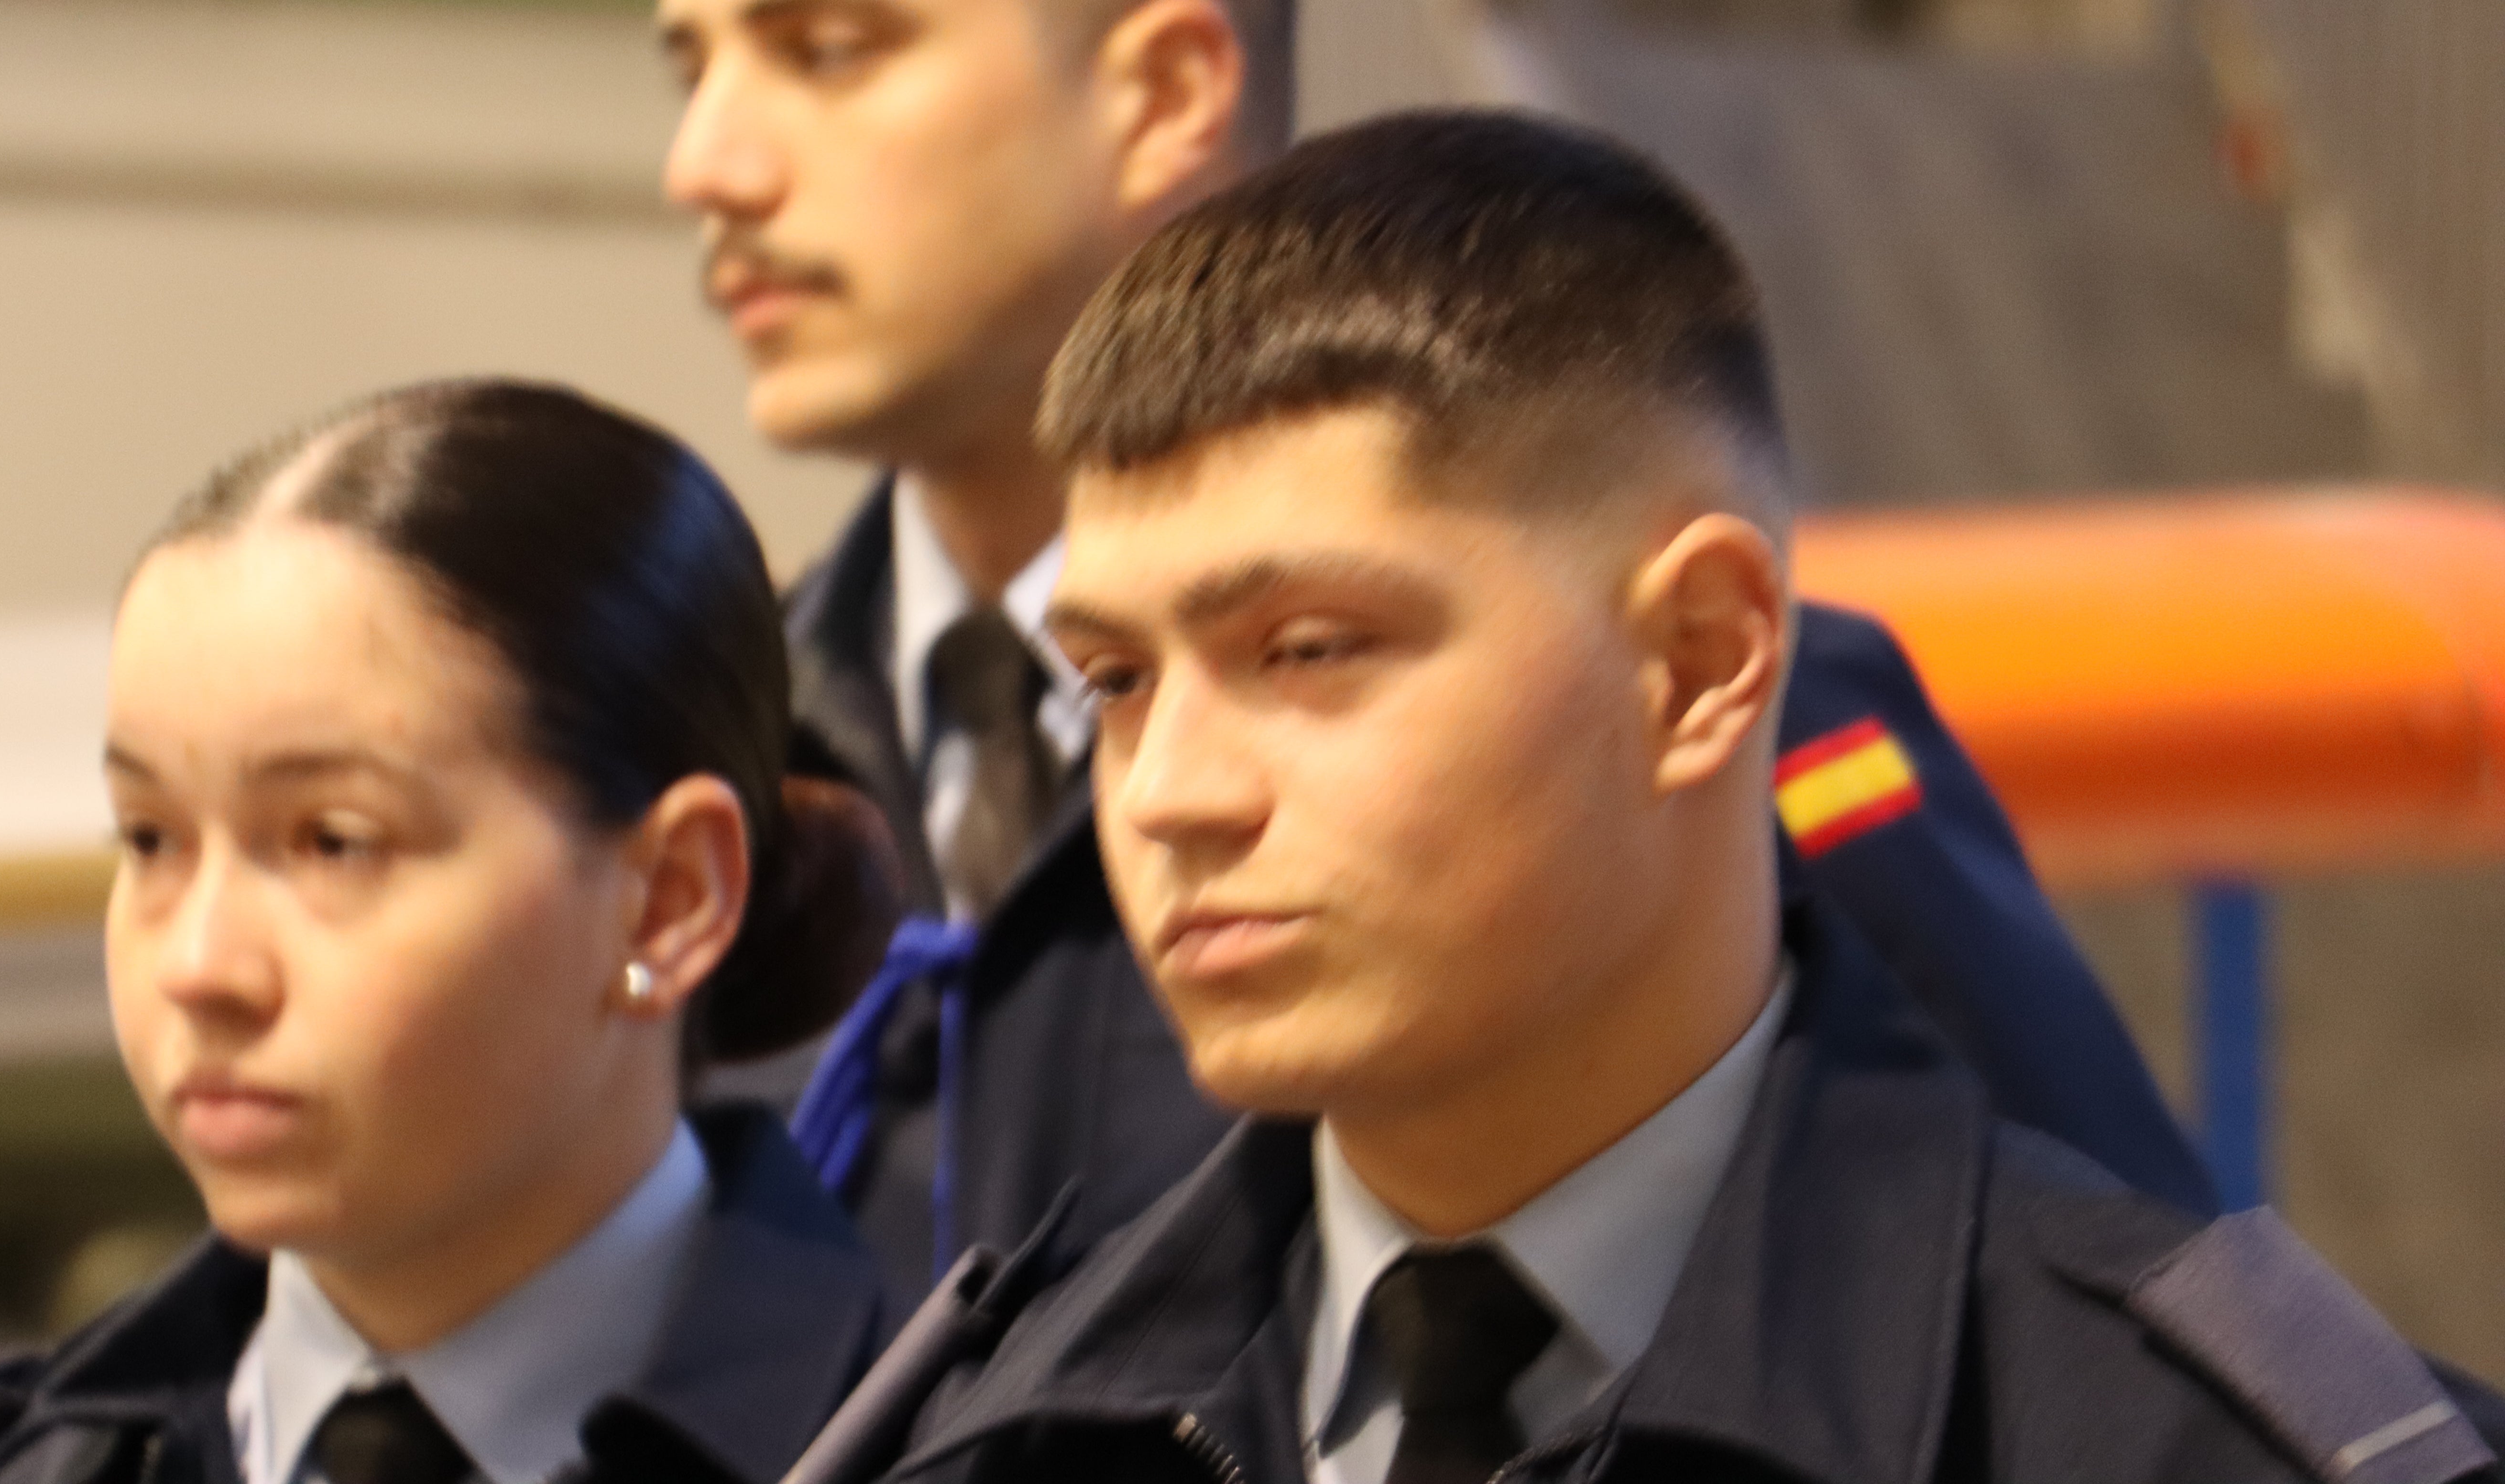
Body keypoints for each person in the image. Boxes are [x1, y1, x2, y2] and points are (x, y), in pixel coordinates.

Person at [648, 0, 2211, 1304]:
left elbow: (2129, 1359)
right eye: (694, 64)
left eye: (825, 50)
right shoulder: (699, 786)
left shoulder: (1677, 750)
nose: (708, 162)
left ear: (1166, 88)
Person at [866, 109, 2504, 1484]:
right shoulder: (992, 1442)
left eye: (1306, 650)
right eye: (1119, 682)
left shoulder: (2195, 1450)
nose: (1166, 798)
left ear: (1704, 663)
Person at [0, 381, 902, 1484]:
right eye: (149, 838)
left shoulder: (953, 1440)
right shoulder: (37, 1455)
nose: (199, 967)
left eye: (335, 841)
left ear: (668, 897)